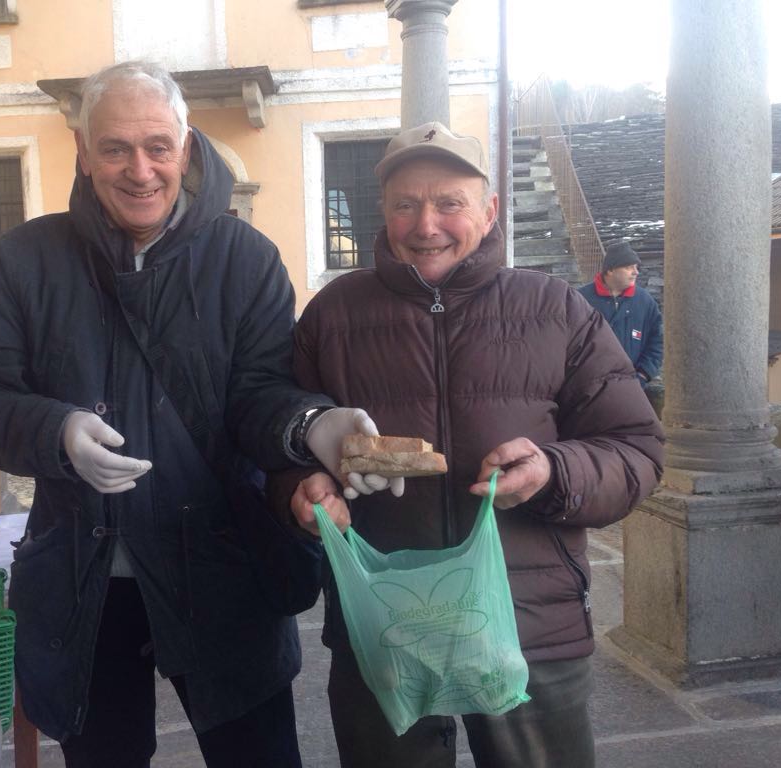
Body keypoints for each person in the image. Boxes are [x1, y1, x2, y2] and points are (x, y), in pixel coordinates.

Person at [0, 61, 396, 768]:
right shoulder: (27, 259)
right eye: (115, 149)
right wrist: (56, 431)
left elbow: (261, 392)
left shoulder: (245, 258)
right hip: (85, 582)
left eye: (158, 146)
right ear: (83, 154)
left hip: (221, 567)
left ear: (185, 148)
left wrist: (314, 426)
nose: (140, 170)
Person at [279, 122, 665, 768]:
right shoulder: (332, 315)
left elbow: (637, 450)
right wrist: (303, 489)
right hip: (385, 624)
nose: (426, 225)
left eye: (449, 203)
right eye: (405, 204)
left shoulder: (557, 310)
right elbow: (283, 445)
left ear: (489, 212)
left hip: (530, 625)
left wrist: (553, 472)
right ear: (384, 213)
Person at [578, 241, 664, 386]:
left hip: (632, 385)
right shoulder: (580, 299)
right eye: (629, 267)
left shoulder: (645, 301)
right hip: (588, 386)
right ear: (610, 270)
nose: (636, 272)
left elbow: (657, 341)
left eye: (636, 267)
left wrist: (643, 374)